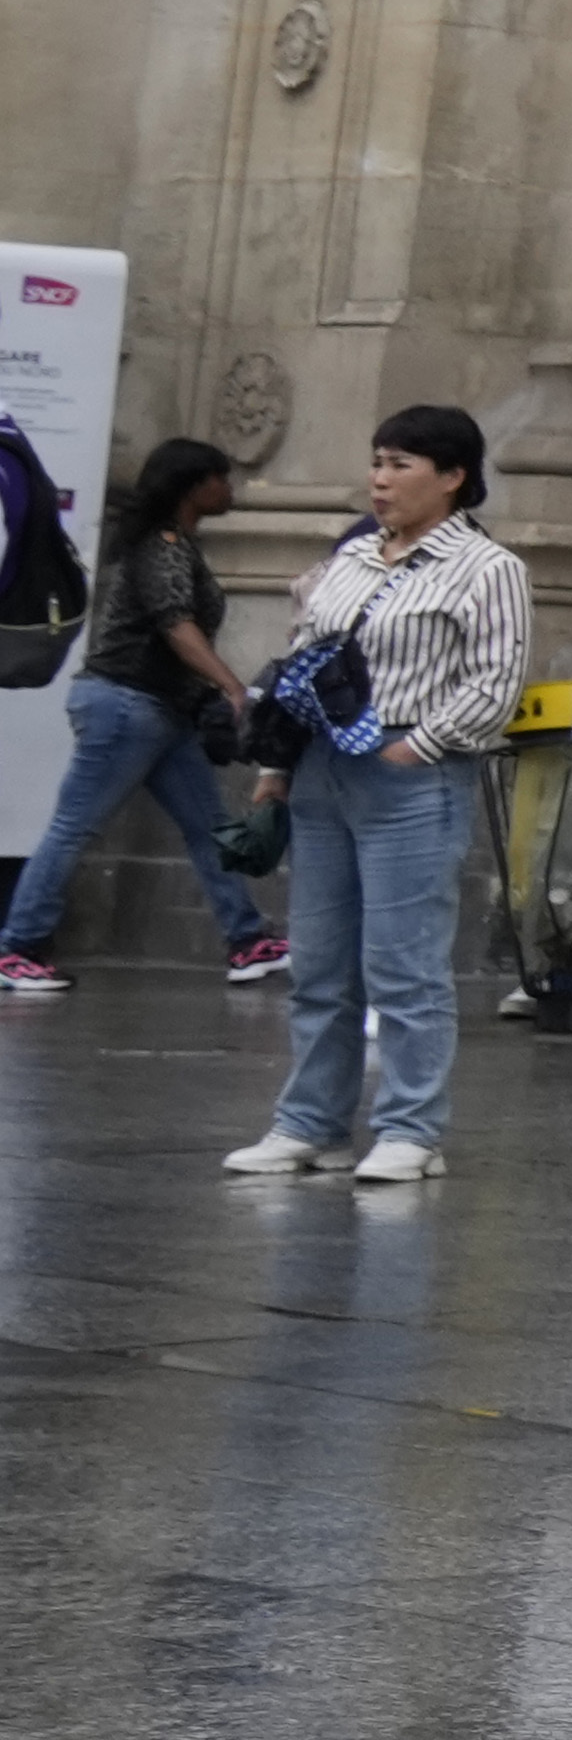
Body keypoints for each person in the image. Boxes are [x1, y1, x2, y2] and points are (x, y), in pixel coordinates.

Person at [219, 405, 528, 1189]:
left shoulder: (489, 569)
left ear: (453, 476)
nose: (380, 480)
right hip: (323, 769)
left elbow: (495, 685)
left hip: (412, 777)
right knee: (320, 961)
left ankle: (411, 1129)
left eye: (399, 465)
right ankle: (309, 1124)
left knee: (405, 965)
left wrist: (415, 746)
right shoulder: (354, 556)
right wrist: (276, 771)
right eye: (377, 462)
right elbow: (302, 660)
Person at [0, 433, 267, 994]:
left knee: (210, 826)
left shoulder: (173, 544)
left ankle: (247, 939)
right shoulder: (163, 545)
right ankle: (17, 948)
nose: (231, 487)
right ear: (195, 486)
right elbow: (176, 625)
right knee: (74, 826)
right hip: (126, 704)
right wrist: (230, 685)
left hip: (157, 711)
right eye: (222, 476)